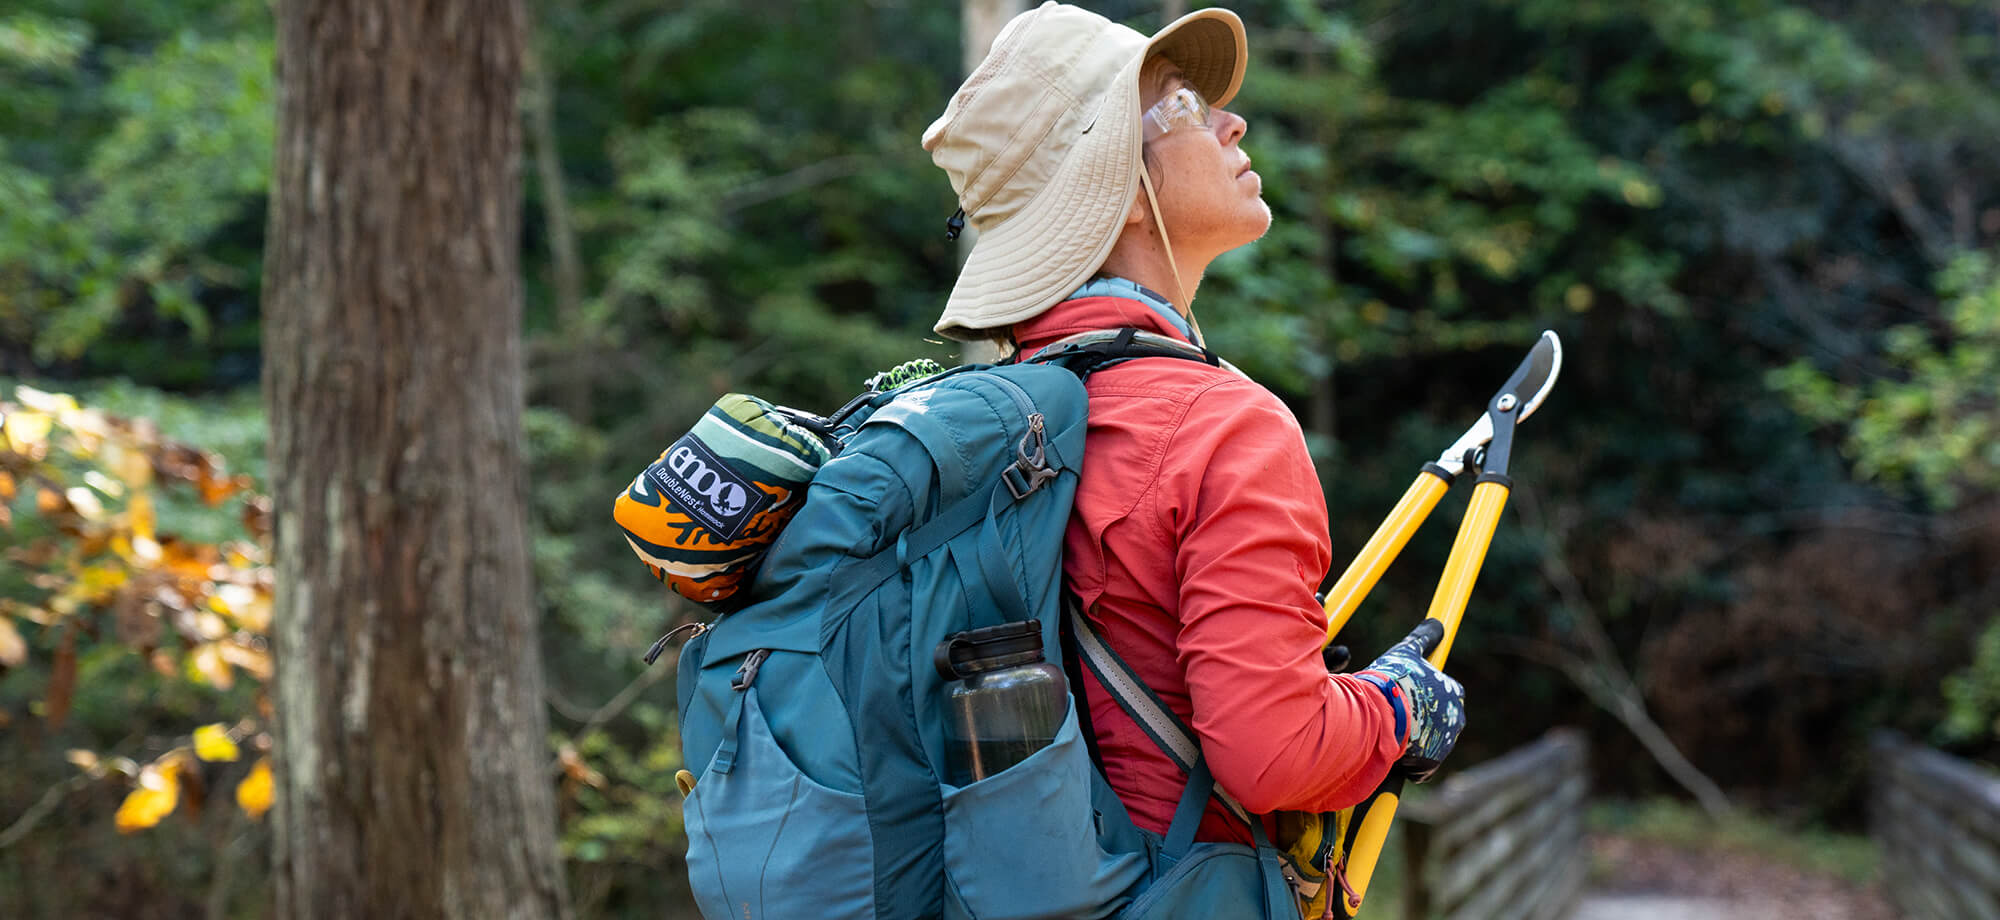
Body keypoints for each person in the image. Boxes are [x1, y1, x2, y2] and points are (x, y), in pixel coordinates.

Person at [921, 0, 1467, 857]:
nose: (1231, 120)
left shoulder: (985, 427)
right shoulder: (1223, 428)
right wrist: (1400, 707)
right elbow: (1279, 755)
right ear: (1125, 194)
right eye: (1180, 105)